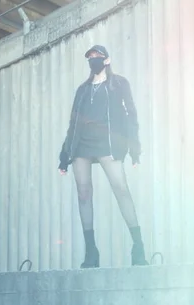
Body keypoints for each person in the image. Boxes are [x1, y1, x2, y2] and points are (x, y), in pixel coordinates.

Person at [58, 45, 148, 268]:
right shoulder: (82, 90)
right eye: (90, 57)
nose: (93, 60)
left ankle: (138, 247)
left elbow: (131, 114)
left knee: (121, 189)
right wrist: (64, 153)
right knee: (84, 193)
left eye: (97, 57)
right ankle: (91, 253)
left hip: (108, 142)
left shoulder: (118, 84)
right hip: (82, 144)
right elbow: (73, 122)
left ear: (107, 60)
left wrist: (134, 147)